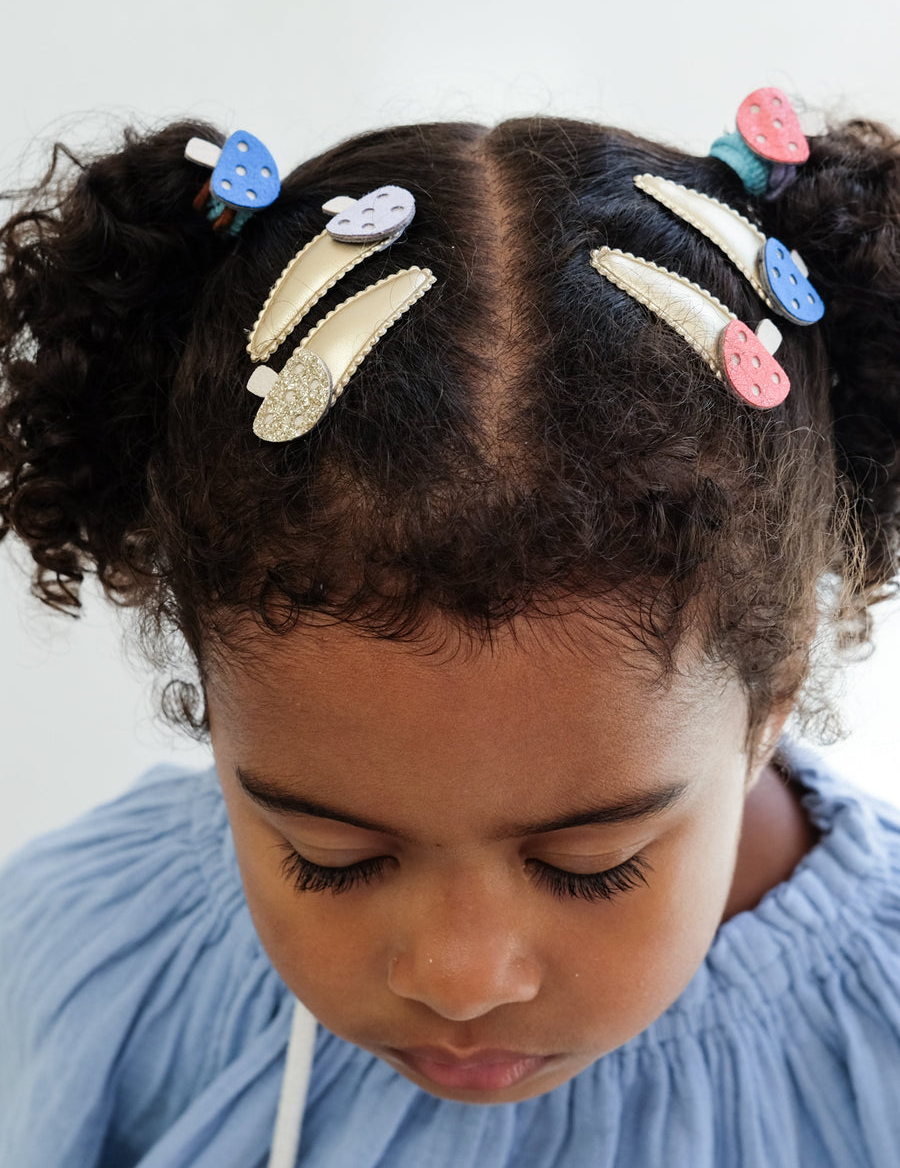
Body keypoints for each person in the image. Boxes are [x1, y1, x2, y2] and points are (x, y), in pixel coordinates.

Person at [0, 94, 899, 1168]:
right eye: (332, 859)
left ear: (774, 691)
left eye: (591, 864)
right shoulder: (81, 964)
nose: (461, 980)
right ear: (207, 676)